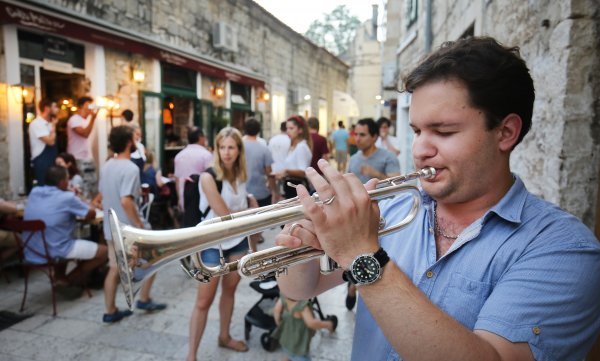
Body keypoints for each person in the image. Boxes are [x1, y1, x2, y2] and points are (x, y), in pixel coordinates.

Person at [275, 37, 600, 361]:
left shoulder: (564, 248)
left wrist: (362, 254)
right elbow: (302, 289)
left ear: (505, 132)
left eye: (443, 132)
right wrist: (302, 245)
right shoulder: (392, 209)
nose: (419, 150)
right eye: (417, 131)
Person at [186, 127, 258, 361]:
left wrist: (250, 210)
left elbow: (240, 211)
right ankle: (192, 355)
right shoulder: (208, 177)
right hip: (211, 243)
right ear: (216, 149)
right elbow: (226, 216)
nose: (226, 152)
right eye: (222, 147)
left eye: (231, 147)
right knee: (203, 301)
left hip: (237, 243)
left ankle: (224, 337)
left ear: (239, 151)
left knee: (229, 290)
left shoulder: (240, 175)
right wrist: (252, 211)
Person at [99, 125, 166, 323]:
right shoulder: (129, 168)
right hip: (129, 229)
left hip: (111, 228)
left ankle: (110, 311)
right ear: (129, 143)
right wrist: (139, 225)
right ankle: (144, 299)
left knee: (114, 269)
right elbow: (126, 201)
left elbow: (104, 194)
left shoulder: (107, 166)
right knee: (154, 260)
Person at [345, 118, 400, 309]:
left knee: (377, 257)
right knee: (354, 255)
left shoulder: (388, 157)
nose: (357, 139)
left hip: (383, 220)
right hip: (355, 219)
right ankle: (353, 285)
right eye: (356, 134)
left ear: (374, 136)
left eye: (362, 135)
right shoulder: (353, 159)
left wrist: (375, 173)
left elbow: (397, 185)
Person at [23, 166, 107, 287]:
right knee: (104, 252)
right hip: (55, 250)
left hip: (32, 250)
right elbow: (91, 213)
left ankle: (60, 277)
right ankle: (67, 280)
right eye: (68, 179)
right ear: (62, 182)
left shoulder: (34, 192)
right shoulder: (67, 198)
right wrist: (77, 198)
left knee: (61, 236)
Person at [243, 118, 278, 248]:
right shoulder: (263, 148)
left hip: (242, 191)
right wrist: (274, 191)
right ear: (258, 130)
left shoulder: (239, 146)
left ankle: (251, 244)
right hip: (260, 191)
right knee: (258, 224)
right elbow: (269, 173)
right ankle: (254, 243)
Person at [272, 294, 336, 361]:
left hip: (285, 339)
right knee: (297, 356)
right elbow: (311, 323)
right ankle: (329, 325)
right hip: (298, 345)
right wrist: (327, 324)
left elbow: (276, 311)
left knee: (288, 354)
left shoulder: (284, 295)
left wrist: (280, 325)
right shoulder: (302, 306)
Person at [174, 127, 213, 212]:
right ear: (201, 137)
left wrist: (180, 199)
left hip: (184, 199)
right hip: (200, 202)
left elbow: (177, 180)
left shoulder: (179, 156)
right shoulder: (206, 155)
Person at [67, 96, 98, 199]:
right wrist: (93, 118)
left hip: (87, 157)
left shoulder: (86, 120)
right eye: (88, 105)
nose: (90, 108)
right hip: (77, 157)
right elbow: (85, 134)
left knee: (92, 184)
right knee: (81, 185)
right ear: (81, 106)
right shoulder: (74, 119)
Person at [274, 115, 313, 199]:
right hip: (291, 187)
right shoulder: (293, 145)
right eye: (287, 128)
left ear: (300, 130)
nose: (288, 131)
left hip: (297, 188)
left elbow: (303, 172)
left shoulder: (301, 147)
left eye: (291, 128)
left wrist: (286, 171)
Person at [29, 98, 59, 186]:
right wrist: (53, 127)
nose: (57, 109)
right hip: (42, 160)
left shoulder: (49, 123)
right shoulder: (37, 124)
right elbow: (50, 142)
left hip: (51, 159)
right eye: (55, 107)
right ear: (47, 108)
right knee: (44, 187)